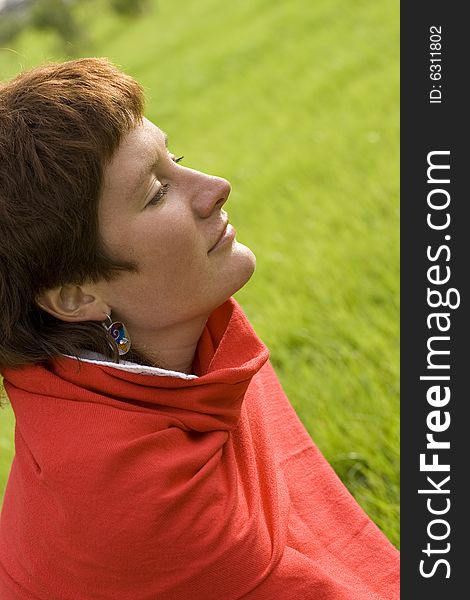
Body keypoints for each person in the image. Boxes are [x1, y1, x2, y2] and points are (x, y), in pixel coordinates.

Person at [0, 58, 399, 599]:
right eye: (157, 192)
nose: (216, 187)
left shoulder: (174, 339)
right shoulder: (143, 507)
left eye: (177, 160)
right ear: (75, 295)